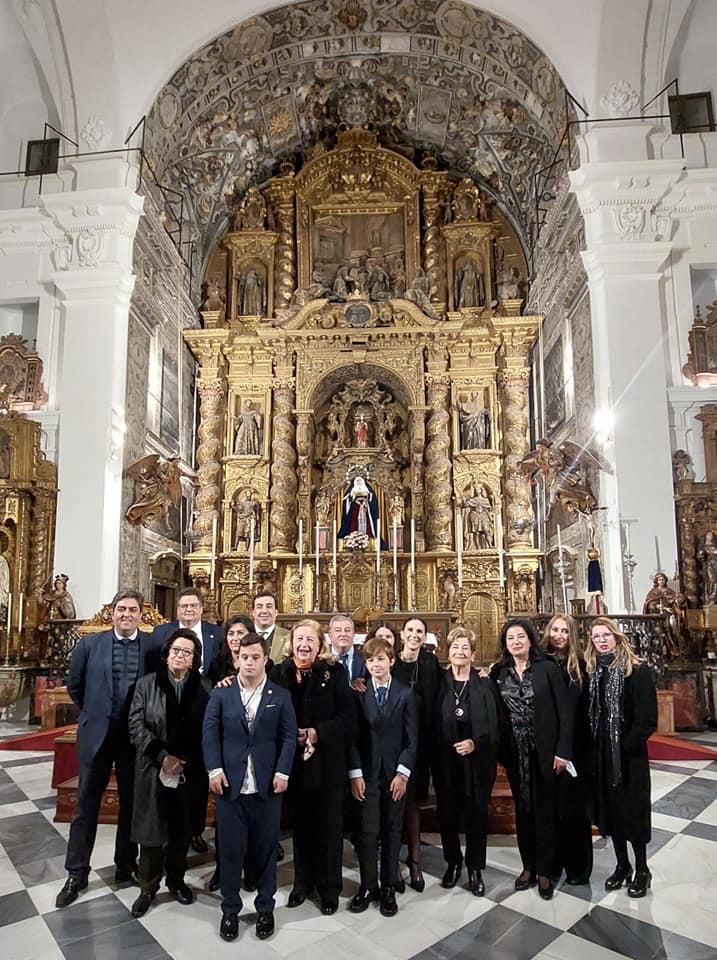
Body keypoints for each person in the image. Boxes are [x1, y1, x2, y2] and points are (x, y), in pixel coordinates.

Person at [56, 591, 162, 908]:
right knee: (86, 804)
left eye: (132, 609)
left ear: (140, 614)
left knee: (131, 803)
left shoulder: (152, 647)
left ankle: (124, 865)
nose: (126, 614)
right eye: (121, 609)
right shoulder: (90, 644)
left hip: (134, 737)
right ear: (112, 613)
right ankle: (76, 872)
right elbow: (75, 684)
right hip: (98, 734)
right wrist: (96, 712)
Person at [203, 631, 297, 941]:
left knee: (265, 851)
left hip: (267, 787)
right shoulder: (221, 694)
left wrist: (283, 771)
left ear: (265, 660)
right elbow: (210, 735)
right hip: (230, 786)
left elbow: (287, 737)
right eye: (244, 657)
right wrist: (214, 770)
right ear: (236, 659)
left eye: (255, 657)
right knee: (229, 851)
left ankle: (265, 909)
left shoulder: (279, 696)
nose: (249, 662)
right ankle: (230, 910)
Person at [269, 619, 355, 915]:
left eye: (310, 640)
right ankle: (302, 883)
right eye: (299, 639)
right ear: (291, 643)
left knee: (330, 828)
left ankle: (330, 887)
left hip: (328, 763)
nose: (304, 645)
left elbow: (347, 716)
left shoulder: (334, 673)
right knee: (301, 827)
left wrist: (317, 732)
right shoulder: (278, 674)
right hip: (293, 764)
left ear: (320, 645)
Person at [127, 629, 209, 917]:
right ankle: (147, 888)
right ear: (166, 653)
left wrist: (185, 759)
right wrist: (163, 756)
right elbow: (136, 726)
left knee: (181, 830)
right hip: (153, 768)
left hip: (190, 771)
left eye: (187, 652)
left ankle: (176, 881)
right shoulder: (146, 685)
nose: (180, 655)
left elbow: (208, 730)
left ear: (194, 659)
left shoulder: (205, 687)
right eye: (176, 650)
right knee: (151, 832)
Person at [489, 618, 572, 901]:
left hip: (545, 750)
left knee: (544, 809)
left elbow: (565, 713)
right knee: (523, 810)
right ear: (505, 643)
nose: (515, 642)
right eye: (510, 638)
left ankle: (546, 871)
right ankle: (528, 866)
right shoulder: (499, 672)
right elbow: (494, 710)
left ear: (530, 639)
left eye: (520, 636)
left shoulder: (547, 668)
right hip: (515, 751)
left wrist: (563, 750)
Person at [585, 617, 657, 898]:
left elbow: (647, 718)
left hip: (628, 756)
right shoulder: (594, 673)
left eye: (606, 635)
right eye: (596, 637)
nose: (601, 640)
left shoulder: (636, 671)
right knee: (612, 812)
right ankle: (622, 865)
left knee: (633, 814)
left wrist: (625, 746)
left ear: (616, 637)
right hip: (602, 754)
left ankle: (642, 869)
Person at [349, 637, 417, 917]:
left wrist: (402, 773)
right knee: (367, 832)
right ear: (366, 664)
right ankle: (368, 886)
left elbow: (412, 739)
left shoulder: (405, 694)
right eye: (371, 660)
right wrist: (355, 773)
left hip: (393, 776)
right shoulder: (358, 693)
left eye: (381, 659)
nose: (376, 664)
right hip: (366, 774)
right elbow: (352, 737)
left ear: (392, 661)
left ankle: (389, 886)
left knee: (391, 830)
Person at [152, 587, 222, 852]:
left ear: (202, 609)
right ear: (177, 609)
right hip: (168, 711)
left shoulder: (217, 633)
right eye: (184, 606)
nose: (189, 610)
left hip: (202, 711)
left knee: (197, 783)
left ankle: (195, 831)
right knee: (169, 782)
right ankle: (168, 830)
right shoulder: (161, 633)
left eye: (193, 606)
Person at [434, 627, 501, 896]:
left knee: (477, 814)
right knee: (447, 813)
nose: (460, 652)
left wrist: (475, 741)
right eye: (455, 647)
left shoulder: (485, 684)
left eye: (465, 648)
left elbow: (495, 724)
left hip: (477, 759)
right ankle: (452, 862)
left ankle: (475, 867)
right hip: (446, 758)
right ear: (447, 652)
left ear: (473, 654)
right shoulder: (439, 682)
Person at [541, 615, 593, 884]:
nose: (559, 635)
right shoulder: (540, 662)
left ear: (571, 635)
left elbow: (581, 711)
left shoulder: (581, 666)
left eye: (564, 631)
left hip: (575, 748)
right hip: (548, 747)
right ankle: (554, 863)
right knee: (552, 810)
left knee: (575, 810)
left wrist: (568, 749)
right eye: (555, 630)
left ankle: (579, 867)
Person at [205, 614, 256, 891]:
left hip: (254, 748)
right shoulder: (218, 665)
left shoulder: (261, 662)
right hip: (228, 747)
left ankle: (251, 868)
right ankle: (223, 869)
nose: (236, 638)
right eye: (232, 633)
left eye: (241, 633)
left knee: (252, 816)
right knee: (226, 819)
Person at [391, 616, 440, 892]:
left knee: (413, 803)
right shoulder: (392, 662)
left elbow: (442, 692)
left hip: (419, 744)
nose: (414, 635)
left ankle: (415, 861)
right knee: (394, 803)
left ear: (425, 636)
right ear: (402, 633)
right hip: (394, 744)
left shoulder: (431, 663)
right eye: (410, 630)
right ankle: (392, 863)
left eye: (419, 631)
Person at [329, 614, 368, 690]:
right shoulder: (321, 659)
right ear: (330, 635)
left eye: (347, 630)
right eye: (338, 630)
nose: (343, 634)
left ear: (353, 634)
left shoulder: (365, 658)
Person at [252, 590, 289, 662]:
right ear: (253, 612)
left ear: (276, 612)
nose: (264, 611)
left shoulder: (289, 637)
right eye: (259, 607)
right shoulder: (245, 635)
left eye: (269, 606)